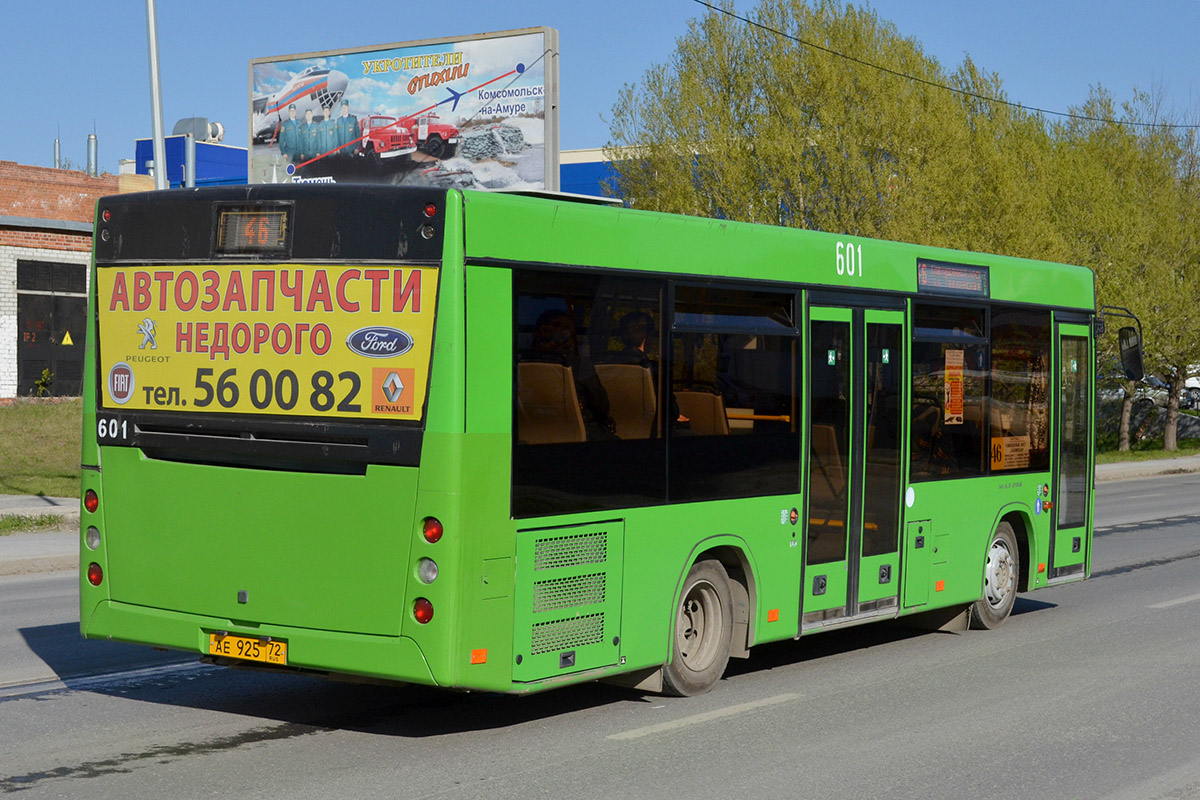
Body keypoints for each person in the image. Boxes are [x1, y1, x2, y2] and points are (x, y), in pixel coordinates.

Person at [529, 309, 614, 439]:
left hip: (535, 431)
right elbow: (600, 402)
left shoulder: (526, 364)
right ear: (568, 336)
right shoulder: (578, 364)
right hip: (580, 432)